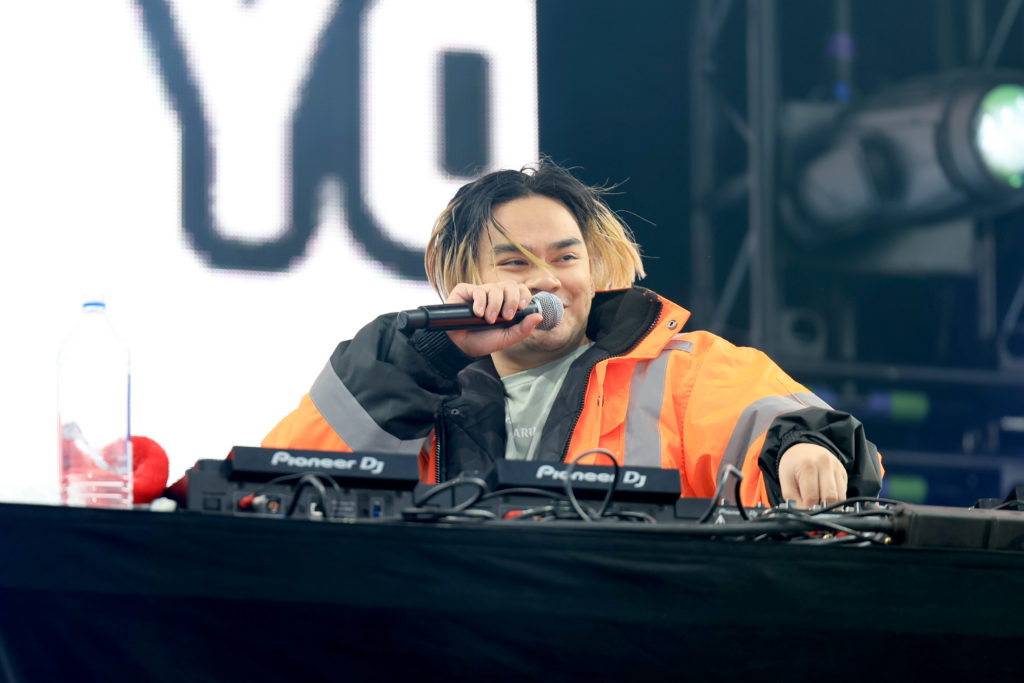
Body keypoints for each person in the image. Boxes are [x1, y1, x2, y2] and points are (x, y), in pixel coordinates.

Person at [262, 161, 882, 508]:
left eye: (566, 259)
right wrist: (422, 355)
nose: (546, 282)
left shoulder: (685, 369)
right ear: (465, 278)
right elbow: (281, 489)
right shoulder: (412, 378)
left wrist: (804, 450)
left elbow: (786, 425)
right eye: (514, 263)